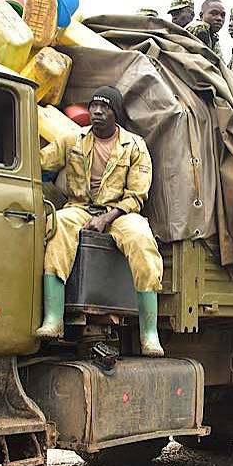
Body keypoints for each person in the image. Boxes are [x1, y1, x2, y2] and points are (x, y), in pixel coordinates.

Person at [38, 86, 164, 356]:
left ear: (115, 113)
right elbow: (40, 162)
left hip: (119, 212)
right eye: (93, 106)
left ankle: (149, 332)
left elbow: (137, 195)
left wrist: (108, 217)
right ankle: (53, 318)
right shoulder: (73, 140)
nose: (96, 111)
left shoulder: (134, 147)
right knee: (58, 224)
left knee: (141, 237)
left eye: (104, 107)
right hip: (81, 208)